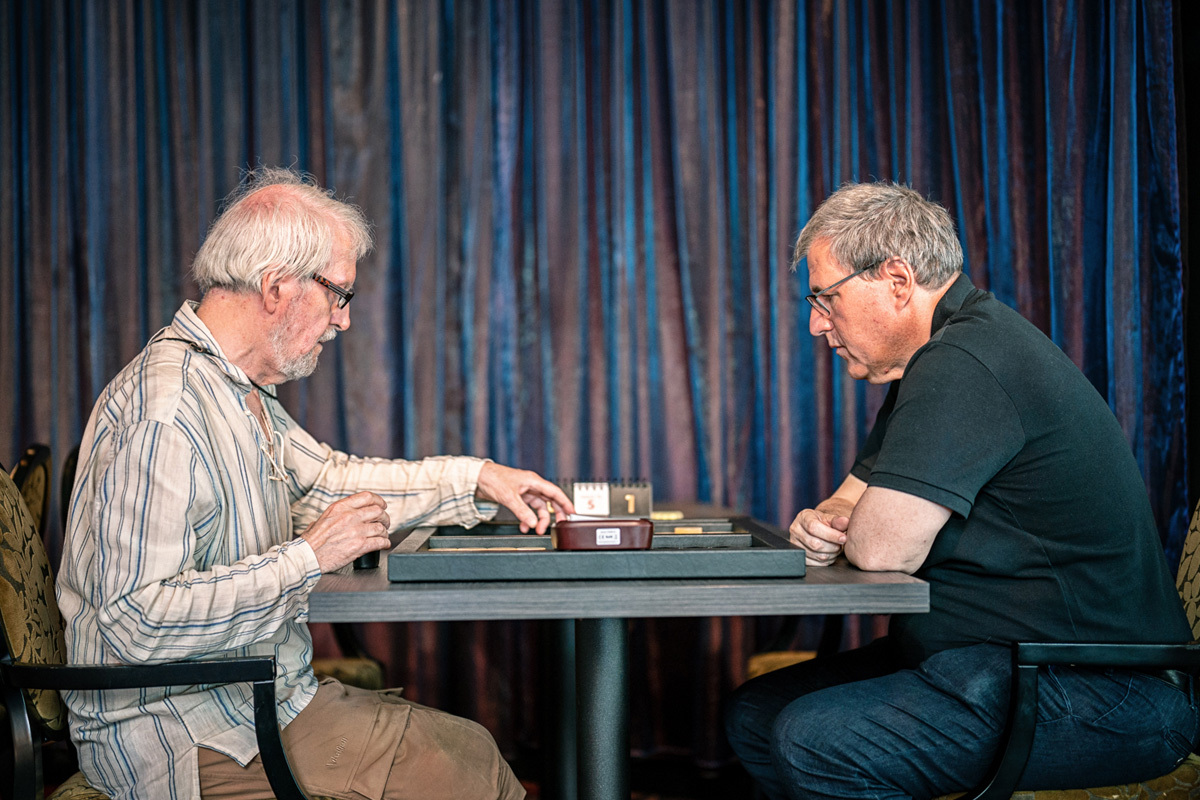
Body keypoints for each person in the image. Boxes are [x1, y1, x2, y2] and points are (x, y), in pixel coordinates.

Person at [56, 167, 575, 800]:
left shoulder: (237, 390)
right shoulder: (164, 412)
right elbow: (135, 621)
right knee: (465, 772)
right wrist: (308, 557)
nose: (343, 320)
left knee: (470, 751)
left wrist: (478, 478)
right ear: (277, 286)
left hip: (259, 699)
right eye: (338, 294)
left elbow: (327, 482)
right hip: (181, 734)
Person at [724, 182, 1199, 799]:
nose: (817, 323)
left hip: (1099, 687)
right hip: (989, 660)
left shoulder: (965, 361)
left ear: (897, 280)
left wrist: (854, 528)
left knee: (812, 741)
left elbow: (882, 550)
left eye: (825, 297)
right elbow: (852, 496)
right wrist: (829, 518)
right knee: (755, 715)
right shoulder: (936, 357)